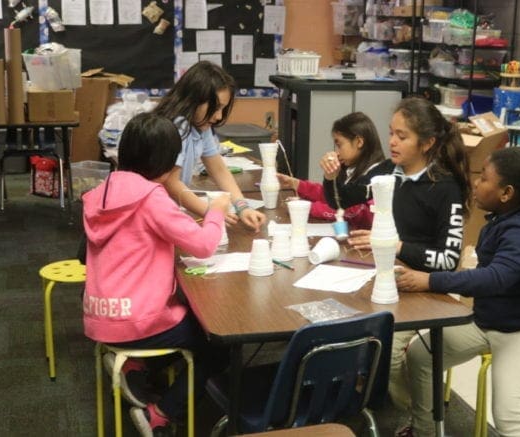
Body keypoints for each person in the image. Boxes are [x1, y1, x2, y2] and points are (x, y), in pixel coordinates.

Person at [394, 147, 520, 437]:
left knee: (510, 418)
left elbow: (497, 278)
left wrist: (431, 281)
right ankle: (424, 430)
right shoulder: (502, 219)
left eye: (483, 178)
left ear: (506, 193)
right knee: (422, 355)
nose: (475, 183)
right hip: (489, 322)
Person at [82, 113, 231, 436]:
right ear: (165, 163)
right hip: (137, 321)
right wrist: (216, 211)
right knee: (217, 343)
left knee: (186, 317)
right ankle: (161, 413)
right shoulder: (151, 199)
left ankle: (138, 366)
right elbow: (204, 245)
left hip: (99, 316)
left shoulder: (104, 191)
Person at [324, 97, 471, 411]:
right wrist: (331, 176)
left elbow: (448, 260)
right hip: (388, 274)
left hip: (422, 288)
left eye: (402, 136)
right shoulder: (392, 172)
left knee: (385, 354)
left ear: (428, 143)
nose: (391, 141)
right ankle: (356, 395)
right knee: (333, 318)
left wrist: (397, 246)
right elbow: (348, 198)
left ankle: (418, 418)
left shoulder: (445, 189)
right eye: (391, 133)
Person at [152, 61, 266, 232]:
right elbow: (170, 182)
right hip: (152, 212)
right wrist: (209, 212)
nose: (219, 116)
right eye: (216, 107)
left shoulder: (200, 126)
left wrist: (242, 206)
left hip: (168, 210)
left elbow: (218, 168)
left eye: (223, 108)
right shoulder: (177, 126)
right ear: (194, 100)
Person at [276, 111, 385, 230]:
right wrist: (298, 185)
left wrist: (307, 208)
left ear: (359, 142)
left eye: (340, 145)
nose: (337, 152)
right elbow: (334, 196)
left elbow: (351, 211)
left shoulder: (375, 176)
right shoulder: (352, 169)